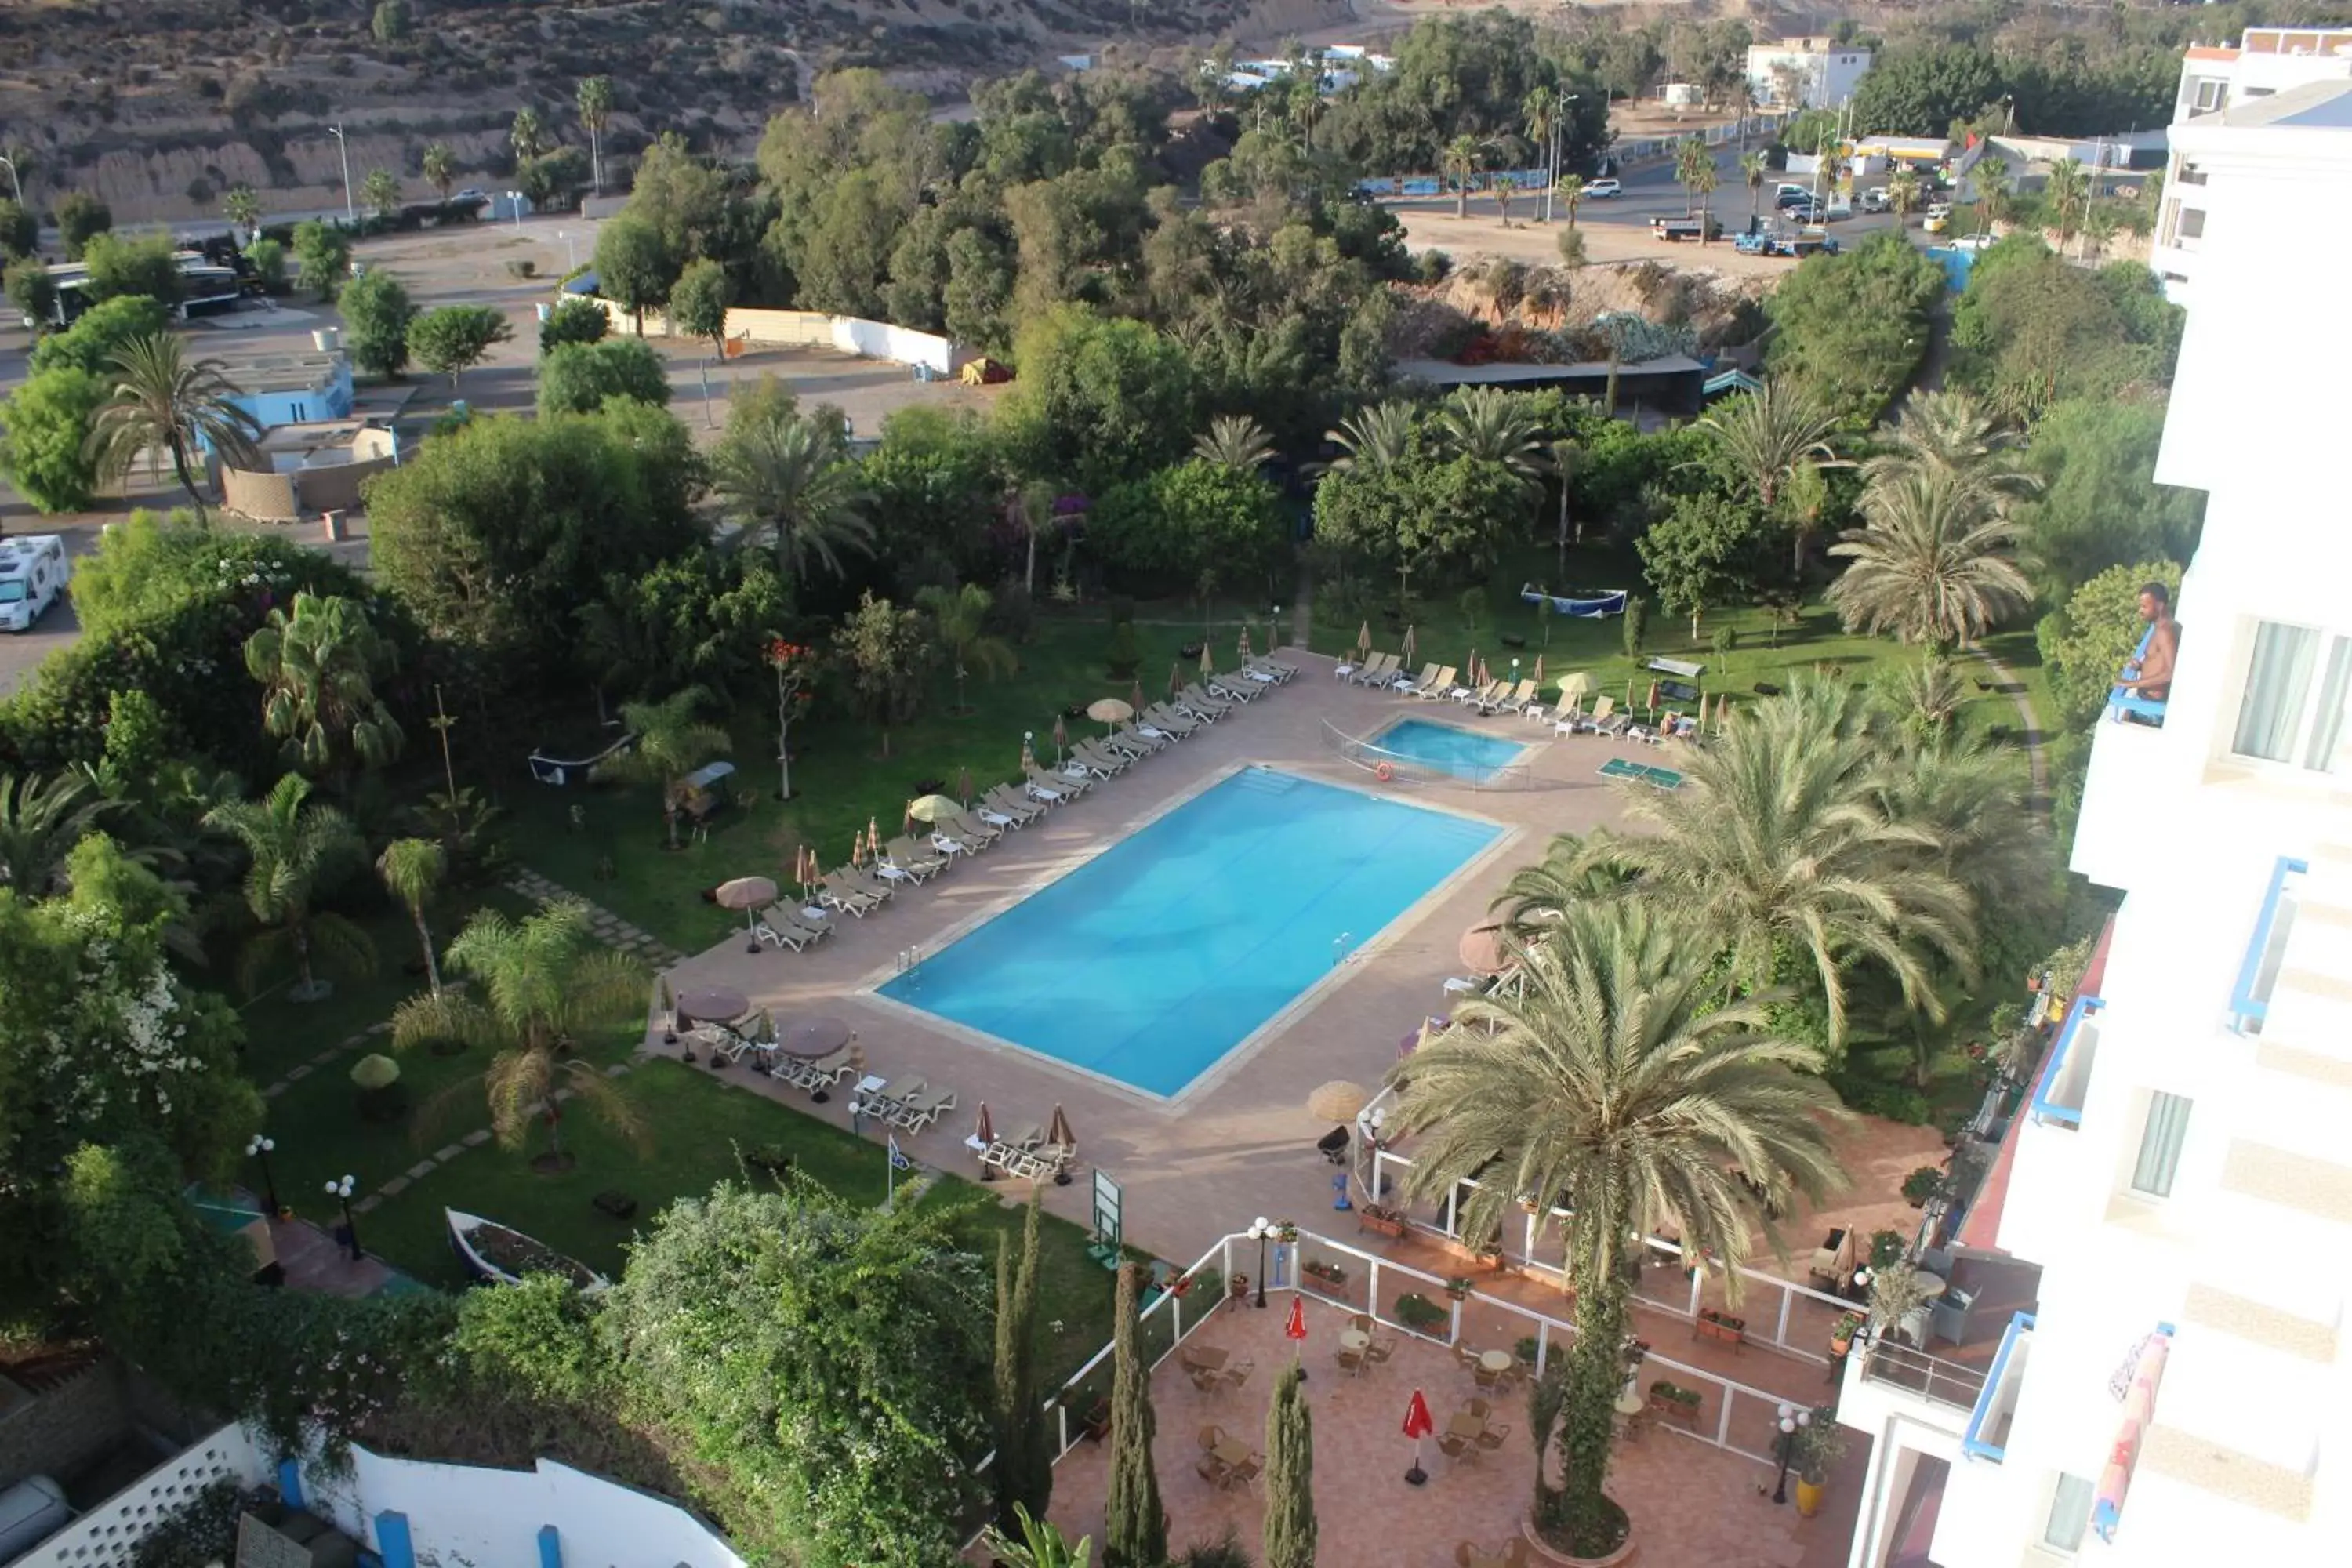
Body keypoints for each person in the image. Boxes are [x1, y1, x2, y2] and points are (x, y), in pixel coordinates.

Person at [2119, 582, 2179, 704]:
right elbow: (2160, 662)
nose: (2140, 611)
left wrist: (2131, 684)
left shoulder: (2165, 631)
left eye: (2145, 607)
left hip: (2151, 706)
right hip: (2147, 700)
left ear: (2160, 606)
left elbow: (2170, 673)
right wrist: (2140, 666)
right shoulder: (2160, 627)